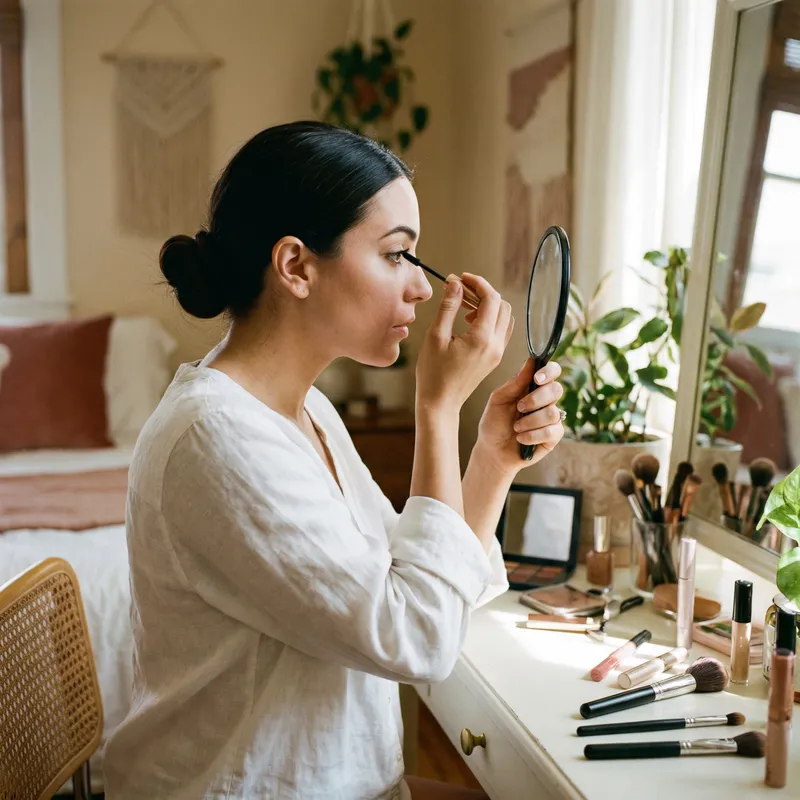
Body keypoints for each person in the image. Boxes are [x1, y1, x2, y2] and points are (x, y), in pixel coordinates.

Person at [103, 121, 564, 799]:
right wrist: (436, 410)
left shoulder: (306, 411)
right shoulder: (217, 439)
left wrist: (492, 458)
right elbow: (419, 639)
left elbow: (417, 577)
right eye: (395, 255)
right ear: (296, 266)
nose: (421, 288)